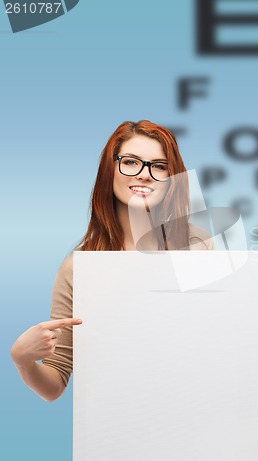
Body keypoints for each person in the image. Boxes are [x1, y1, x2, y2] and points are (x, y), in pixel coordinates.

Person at [10, 120, 213, 401]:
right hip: (116, 426)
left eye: (159, 166)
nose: (144, 174)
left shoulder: (198, 246)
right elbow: (55, 382)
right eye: (130, 162)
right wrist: (23, 360)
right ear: (110, 169)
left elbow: (219, 343)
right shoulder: (78, 267)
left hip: (194, 413)